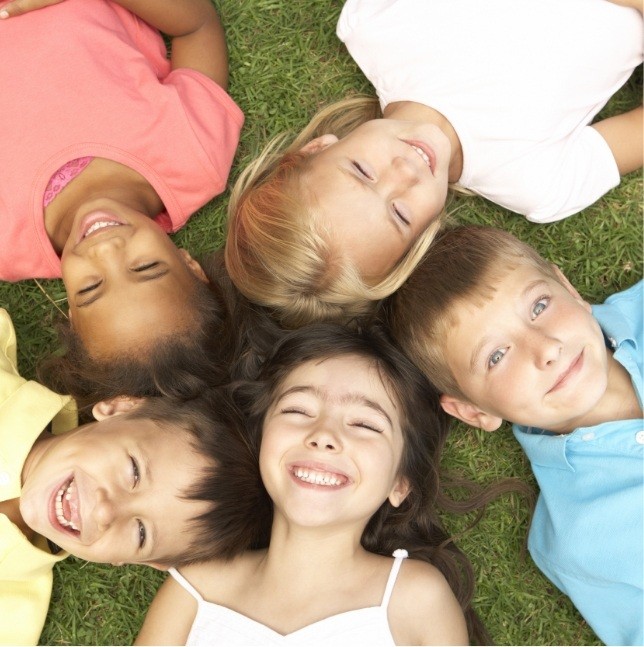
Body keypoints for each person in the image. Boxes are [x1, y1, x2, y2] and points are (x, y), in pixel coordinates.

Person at [224, 0, 642, 328]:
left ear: (316, 148)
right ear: (422, 235)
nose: (404, 173)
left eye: (362, 172)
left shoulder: (374, 25)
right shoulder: (535, 182)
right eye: (400, 214)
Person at [136, 323, 526, 646]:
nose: (324, 435)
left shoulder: (414, 599)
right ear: (259, 443)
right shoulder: (193, 589)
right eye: (297, 410)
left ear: (401, 482)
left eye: (364, 424)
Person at [386, 225, 644, 646]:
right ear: (473, 410)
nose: (546, 349)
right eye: (497, 356)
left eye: (540, 305)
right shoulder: (576, 540)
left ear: (568, 287)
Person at [0, 0, 244, 401]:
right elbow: (195, 26)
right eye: (145, 267)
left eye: (92, 288)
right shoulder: (191, 156)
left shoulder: (8, 243)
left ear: (72, 315)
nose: (107, 250)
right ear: (190, 265)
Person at [0, 308, 267, 646]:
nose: (106, 512)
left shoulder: (11, 615)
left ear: (131, 562)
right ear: (117, 409)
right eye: (133, 471)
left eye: (141, 532)